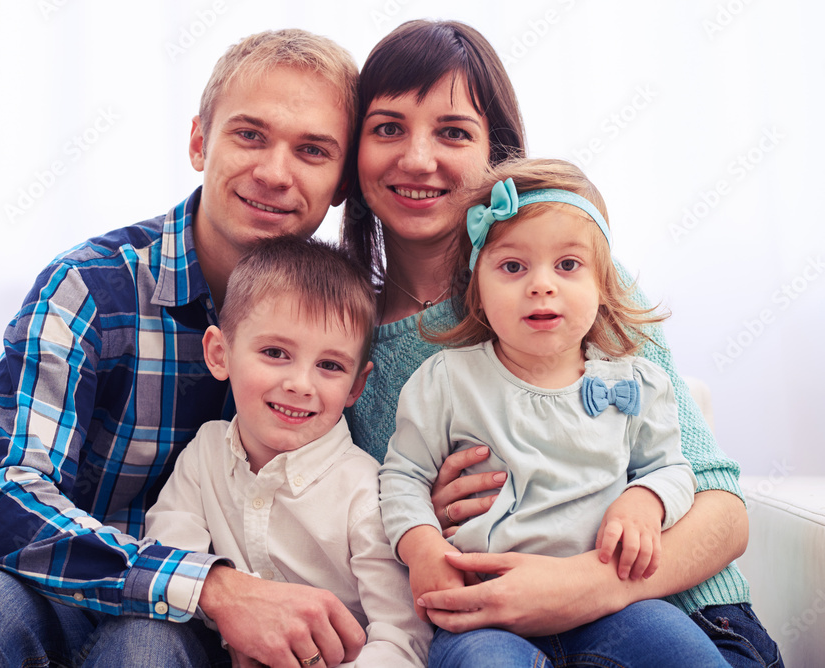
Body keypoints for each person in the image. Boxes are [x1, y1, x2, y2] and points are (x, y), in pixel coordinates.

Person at [0, 29, 368, 668]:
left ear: (341, 181)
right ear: (199, 142)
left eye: (311, 150)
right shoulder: (89, 288)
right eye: (249, 135)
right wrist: (210, 586)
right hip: (71, 591)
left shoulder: (352, 324)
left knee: (142, 645)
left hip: (206, 635)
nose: (274, 172)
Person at [342, 19, 783, 667]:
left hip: (680, 615)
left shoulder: (581, 289)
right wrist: (417, 526)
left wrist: (581, 588)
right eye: (387, 128)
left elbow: (723, 512)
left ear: (499, 157)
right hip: (493, 635)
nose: (416, 157)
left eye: (453, 131)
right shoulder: (339, 344)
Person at [382, 157, 731, 667]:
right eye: (513, 266)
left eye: (567, 266)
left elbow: (672, 469)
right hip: (485, 611)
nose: (541, 285)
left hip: (614, 606)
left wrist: (645, 501)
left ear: (603, 284)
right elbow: (402, 476)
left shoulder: (635, 381)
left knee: (687, 654)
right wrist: (421, 547)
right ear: (477, 285)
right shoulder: (445, 381)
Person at [144, 236, 431, 667]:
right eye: (275, 353)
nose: (300, 384)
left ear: (356, 386)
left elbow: (401, 635)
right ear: (219, 354)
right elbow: (167, 557)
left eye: (329, 365)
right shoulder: (205, 453)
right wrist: (231, 621)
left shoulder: (365, 489)